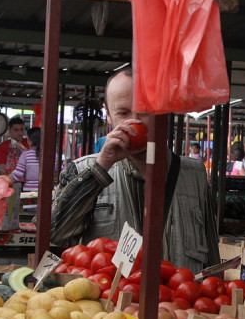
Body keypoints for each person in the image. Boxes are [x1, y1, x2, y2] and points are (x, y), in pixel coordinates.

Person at [51, 69, 219, 274]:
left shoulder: (194, 175)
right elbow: (55, 234)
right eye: (123, 113)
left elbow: (211, 257)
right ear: (109, 115)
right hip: (110, 302)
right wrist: (102, 165)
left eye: (145, 112)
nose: (135, 122)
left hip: (178, 303)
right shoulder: (83, 171)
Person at [11, 126, 41, 192]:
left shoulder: (26, 155)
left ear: (30, 141)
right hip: (51, 193)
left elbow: (17, 176)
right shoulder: (53, 155)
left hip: (30, 193)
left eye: (27, 139)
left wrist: (5, 179)